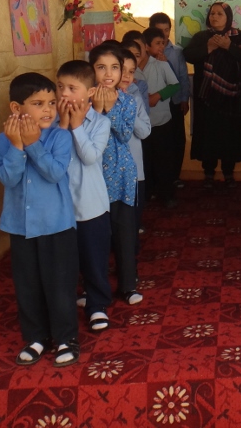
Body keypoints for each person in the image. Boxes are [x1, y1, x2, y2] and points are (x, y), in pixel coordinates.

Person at [0, 72, 79, 368]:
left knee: (59, 284)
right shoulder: (3, 140)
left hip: (56, 225)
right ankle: (36, 337)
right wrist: (17, 145)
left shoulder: (60, 136)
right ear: (16, 109)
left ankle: (66, 337)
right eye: (38, 103)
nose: (48, 110)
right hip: (20, 226)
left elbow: (54, 173)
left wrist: (32, 144)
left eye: (52, 103)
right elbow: (7, 177)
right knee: (27, 285)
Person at [55, 60, 112, 332]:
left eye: (71, 87)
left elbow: (90, 157)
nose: (63, 93)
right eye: (60, 86)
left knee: (94, 258)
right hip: (61, 208)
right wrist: (64, 126)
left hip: (91, 206)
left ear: (90, 92)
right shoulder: (52, 123)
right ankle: (75, 298)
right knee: (66, 260)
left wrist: (77, 127)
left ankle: (97, 305)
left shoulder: (100, 123)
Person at [89, 43, 141, 306]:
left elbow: (123, 133)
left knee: (124, 233)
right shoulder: (84, 100)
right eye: (101, 67)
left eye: (114, 68)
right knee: (94, 235)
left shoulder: (127, 101)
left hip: (121, 176)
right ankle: (92, 287)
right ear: (91, 70)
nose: (108, 74)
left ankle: (128, 285)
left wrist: (109, 109)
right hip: (92, 178)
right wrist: (98, 107)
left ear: (122, 72)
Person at [183, 2, 241, 188]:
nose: (214, 17)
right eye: (212, 13)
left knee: (230, 134)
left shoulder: (240, 37)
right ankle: (208, 173)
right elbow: (189, 55)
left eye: (219, 14)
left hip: (232, 98)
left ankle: (228, 173)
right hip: (207, 96)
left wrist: (229, 46)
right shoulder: (201, 37)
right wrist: (208, 48)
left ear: (228, 17)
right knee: (208, 134)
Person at [147, 12, 191, 189]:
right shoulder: (145, 53)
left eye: (167, 30)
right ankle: (156, 179)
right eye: (159, 31)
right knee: (158, 142)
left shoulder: (177, 51)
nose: (164, 35)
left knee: (177, 139)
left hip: (174, 101)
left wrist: (184, 99)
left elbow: (182, 77)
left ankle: (174, 176)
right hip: (154, 104)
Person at [141, 28, 181, 207]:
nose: (161, 47)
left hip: (161, 120)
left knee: (164, 160)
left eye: (163, 43)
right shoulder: (131, 69)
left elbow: (175, 85)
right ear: (146, 46)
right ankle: (148, 192)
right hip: (141, 124)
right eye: (157, 43)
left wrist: (157, 96)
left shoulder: (161, 64)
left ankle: (167, 194)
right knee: (146, 160)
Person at [117, 48, 151, 244]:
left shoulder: (135, 97)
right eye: (121, 70)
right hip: (108, 174)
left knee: (131, 220)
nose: (127, 76)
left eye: (131, 71)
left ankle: (129, 260)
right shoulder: (96, 99)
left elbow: (144, 131)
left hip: (134, 171)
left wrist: (126, 107)